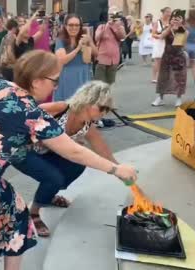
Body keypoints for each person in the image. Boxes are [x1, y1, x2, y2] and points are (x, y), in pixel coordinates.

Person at [0, 50, 137, 270]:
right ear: (36, 81)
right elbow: (74, 151)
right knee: (18, 223)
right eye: (54, 80)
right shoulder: (30, 112)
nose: (56, 86)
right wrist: (115, 170)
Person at [12, 80, 118, 237]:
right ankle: (33, 213)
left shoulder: (88, 125)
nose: (104, 113)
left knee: (78, 164)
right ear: (88, 101)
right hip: (22, 151)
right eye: (102, 108)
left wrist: (120, 171)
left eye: (107, 110)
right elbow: (26, 114)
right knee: (53, 177)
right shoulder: (61, 109)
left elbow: (103, 151)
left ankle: (49, 194)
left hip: (45, 153)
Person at [54, 14, 97, 101]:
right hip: (67, 76)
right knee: (68, 104)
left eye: (77, 25)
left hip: (83, 75)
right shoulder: (60, 40)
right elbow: (63, 60)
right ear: (65, 26)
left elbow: (96, 54)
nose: (74, 27)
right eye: (71, 25)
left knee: (82, 105)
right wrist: (78, 48)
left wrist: (90, 41)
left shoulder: (83, 38)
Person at [153, 9, 188, 107]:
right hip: (167, 56)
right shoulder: (168, 28)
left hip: (178, 56)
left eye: (178, 18)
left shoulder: (184, 30)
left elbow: (181, 42)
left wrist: (180, 27)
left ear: (182, 20)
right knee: (163, 77)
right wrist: (170, 27)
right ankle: (160, 97)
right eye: (173, 18)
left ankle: (178, 98)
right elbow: (161, 36)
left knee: (179, 78)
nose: (175, 20)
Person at [94, 13, 126, 85]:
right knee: (99, 82)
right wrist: (106, 26)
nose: (113, 19)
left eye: (114, 17)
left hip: (114, 58)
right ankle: (100, 96)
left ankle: (107, 95)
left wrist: (117, 27)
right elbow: (96, 38)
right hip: (102, 58)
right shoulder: (101, 26)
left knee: (110, 82)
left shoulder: (119, 27)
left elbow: (123, 37)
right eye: (111, 16)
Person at [152, 7, 172, 83]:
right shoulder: (158, 22)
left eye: (170, 12)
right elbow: (153, 34)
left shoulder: (171, 22)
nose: (169, 14)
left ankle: (164, 77)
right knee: (158, 60)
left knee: (166, 60)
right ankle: (154, 77)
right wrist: (159, 36)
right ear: (163, 12)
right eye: (167, 12)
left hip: (168, 42)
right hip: (159, 42)